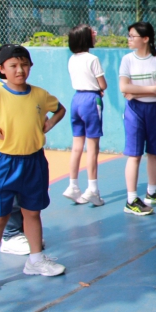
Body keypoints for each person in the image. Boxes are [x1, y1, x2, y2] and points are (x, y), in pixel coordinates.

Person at [0, 44, 67, 276]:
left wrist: (50, 123)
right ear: (1, 69)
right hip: (5, 163)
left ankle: (35, 261)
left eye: (24, 65)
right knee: (0, 217)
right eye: (13, 66)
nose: (20, 70)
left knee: (32, 212)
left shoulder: (39, 94)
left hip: (34, 162)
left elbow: (60, 109)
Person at [119, 22, 156, 216]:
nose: (129, 39)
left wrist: (136, 91)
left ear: (145, 38)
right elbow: (124, 88)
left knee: (154, 152)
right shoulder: (127, 60)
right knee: (134, 155)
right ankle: (131, 199)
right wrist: (152, 89)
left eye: (132, 36)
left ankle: (152, 191)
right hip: (135, 110)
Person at [63, 24, 107, 207]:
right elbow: (102, 84)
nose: (95, 33)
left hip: (76, 100)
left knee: (77, 146)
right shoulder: (92, 59)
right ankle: (93, 189)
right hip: (91, 101)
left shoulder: (72, 59)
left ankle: (73, 185)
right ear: (85, 38)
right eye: (91, 32)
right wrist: (99, 89)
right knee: (93, 147)